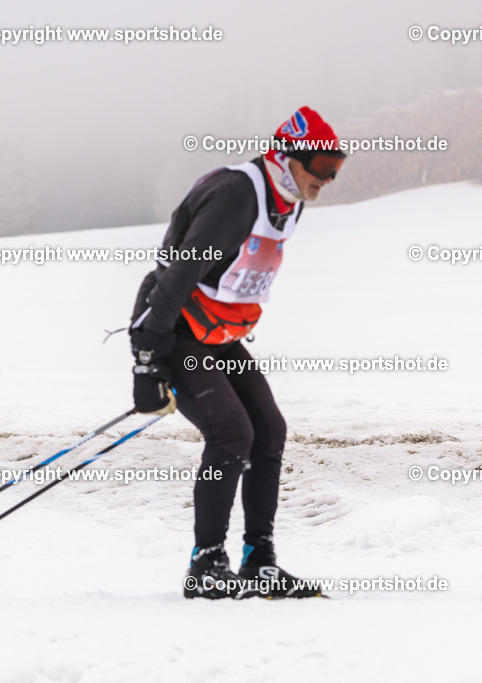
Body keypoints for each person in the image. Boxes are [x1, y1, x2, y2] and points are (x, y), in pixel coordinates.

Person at [129, 106, 346, 599]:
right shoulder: (236, 195)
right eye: (322, 166)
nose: (329, 178)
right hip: (174, 330)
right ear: (287, 156)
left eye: (338, 166)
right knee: (232, 433)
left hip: (216, 337)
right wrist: (148, 361)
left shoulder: (288, 197)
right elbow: (177, 276)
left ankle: (258, 561)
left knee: (269, 430)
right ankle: (206, 564)